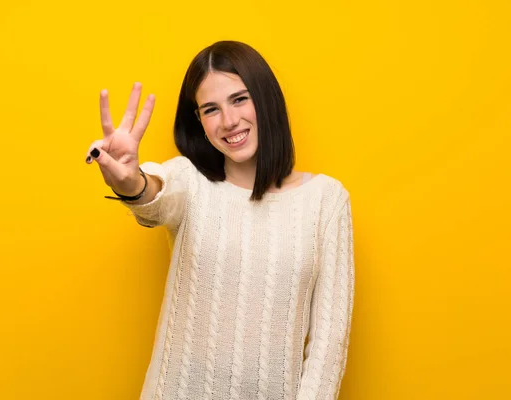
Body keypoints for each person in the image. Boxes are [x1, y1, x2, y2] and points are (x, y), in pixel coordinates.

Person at [85, 40, 355, 400]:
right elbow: (156, 196)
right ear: (198, 120)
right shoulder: (191, 181)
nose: (229, 121)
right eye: (210, 109)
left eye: (240, 99)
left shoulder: (326, 200)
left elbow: (329, 343)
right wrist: (131, 182)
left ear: (266, 97)